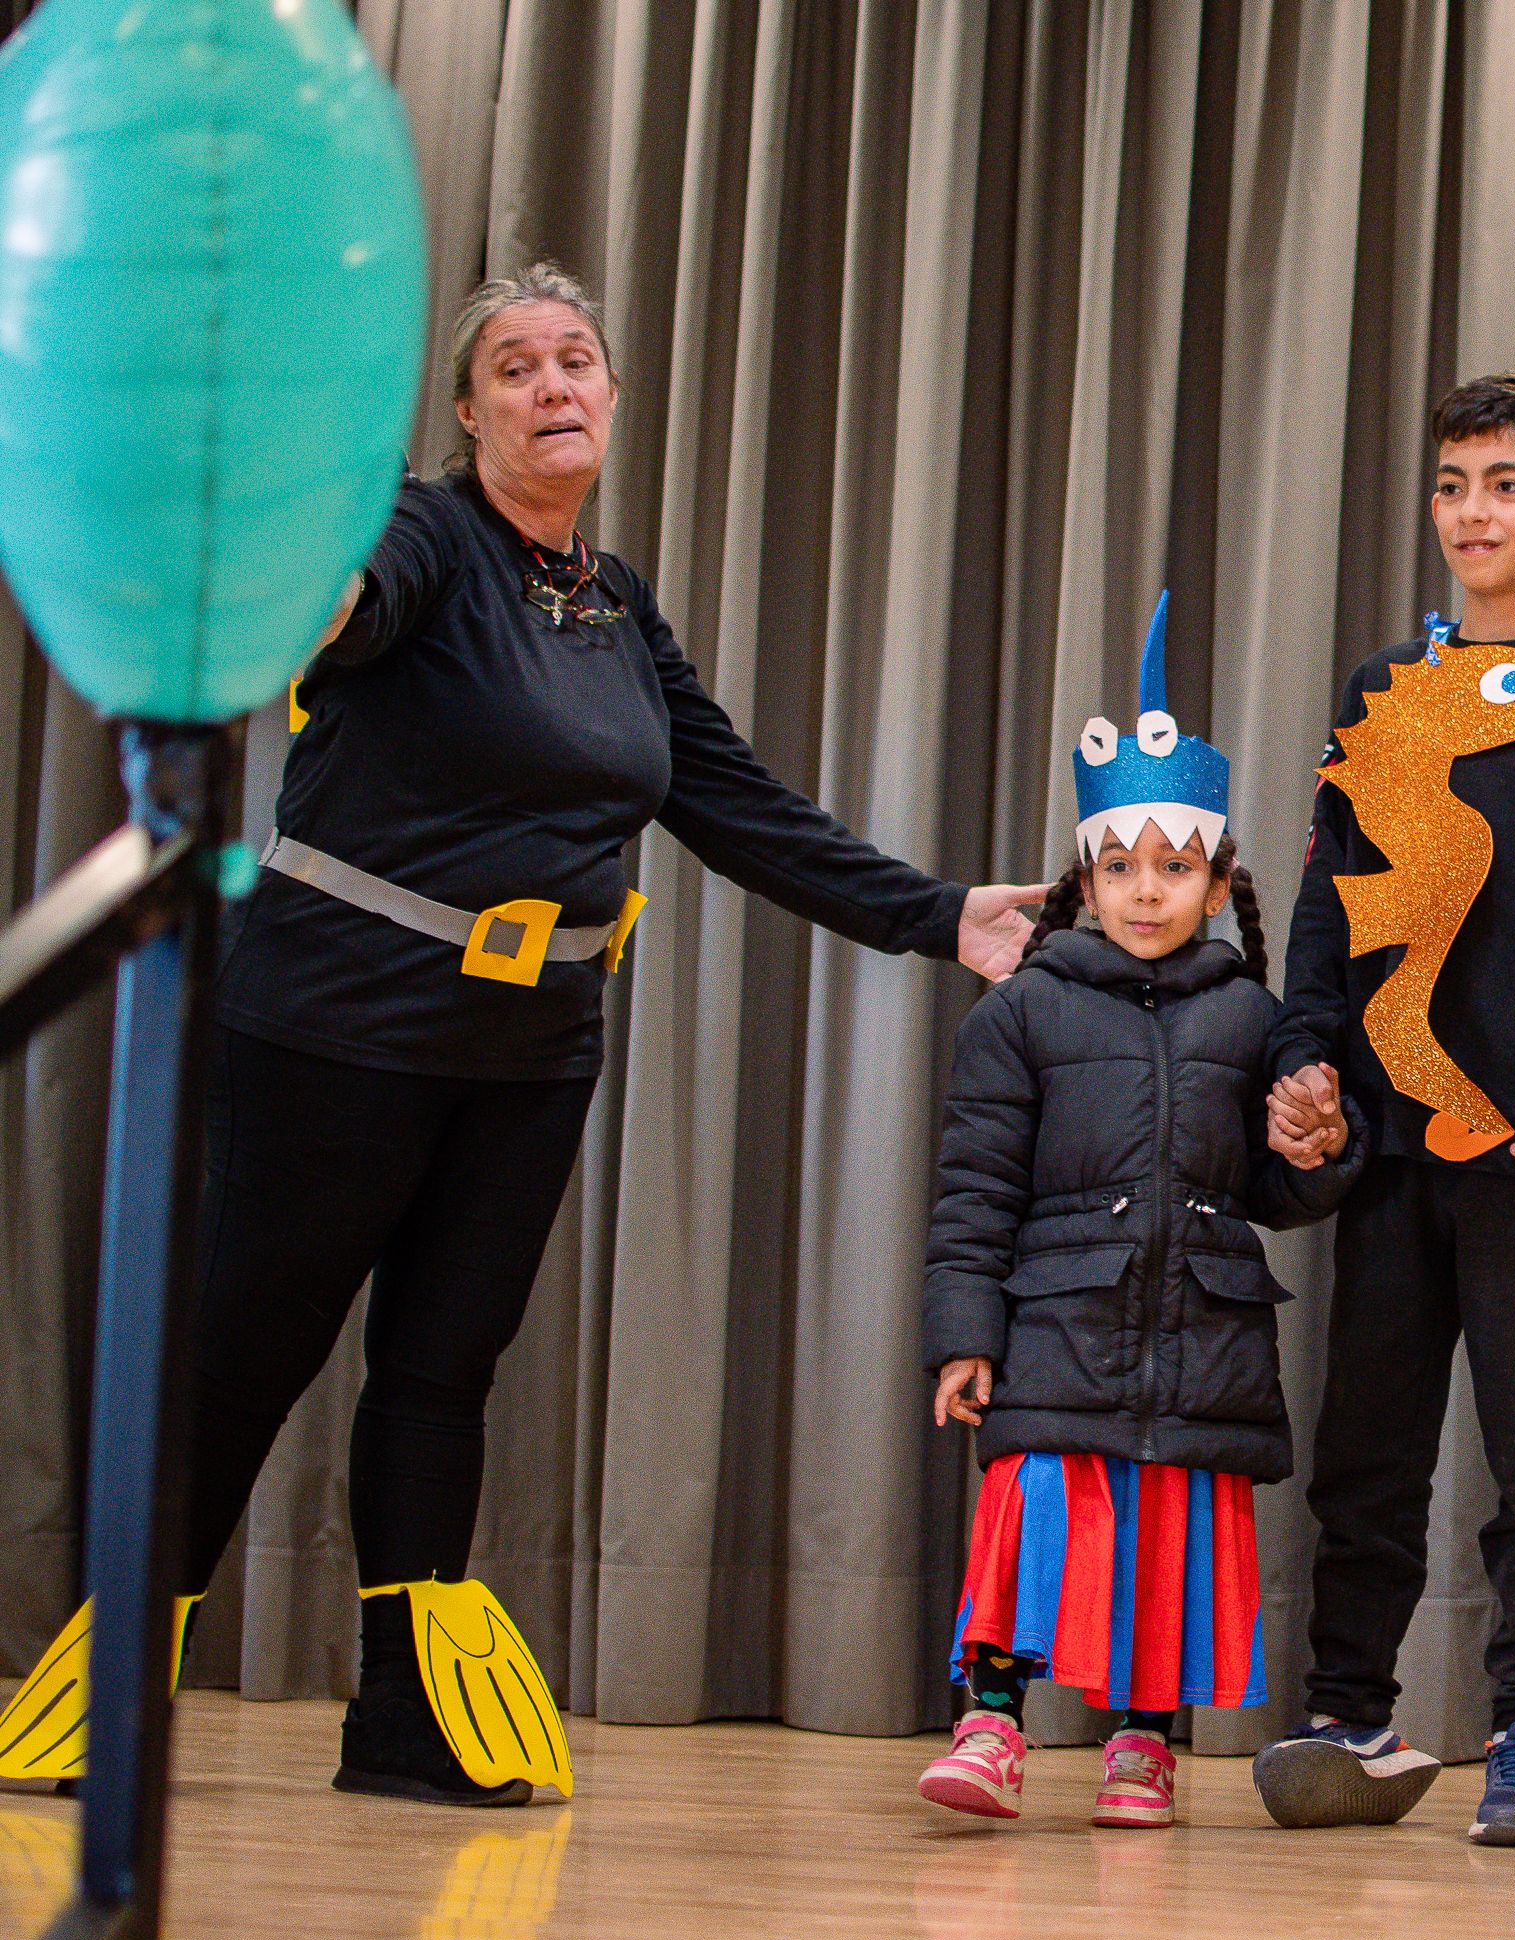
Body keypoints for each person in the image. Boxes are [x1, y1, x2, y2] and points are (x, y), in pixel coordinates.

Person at [110, 263, 1040, 1807]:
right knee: (243, 1361)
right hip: (341, 1023)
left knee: (439, 1374)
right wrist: (302, 573)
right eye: (519, 368)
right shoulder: (421, 534)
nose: (554, 389)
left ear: (610, 395)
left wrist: (940, 917)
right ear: (468, 411)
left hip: (529, 1046)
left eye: (578, 362)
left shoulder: (610, 602)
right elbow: (340, 625)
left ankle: (404, 1722)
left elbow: (731, 800)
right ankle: (114, 1690)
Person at [1255, 373, 1515, 1846]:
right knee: (1366, 1439)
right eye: (1451, 484)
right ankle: (1347, 1715)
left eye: (1506, 484)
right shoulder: (1384, 685)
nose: (1471, 513)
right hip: (1386, 1138)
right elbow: (1329, 894)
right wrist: (1304, 1054)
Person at [915, 597, 1360, 1830]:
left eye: (1176, 866)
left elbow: (1280, 1187)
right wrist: (966, 1331)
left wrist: (1320, 1149)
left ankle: (1142, 1744)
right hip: (1058, 1325)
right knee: (1039, 1524)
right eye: (1122, 865)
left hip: (1202, 1335)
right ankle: (992, 1722)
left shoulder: (1254, 1019)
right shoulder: (1022, 1013)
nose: (1147, 890)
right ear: (1086, 874)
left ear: (1219, 880)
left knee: (1167, 1544)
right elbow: (975, 1189)